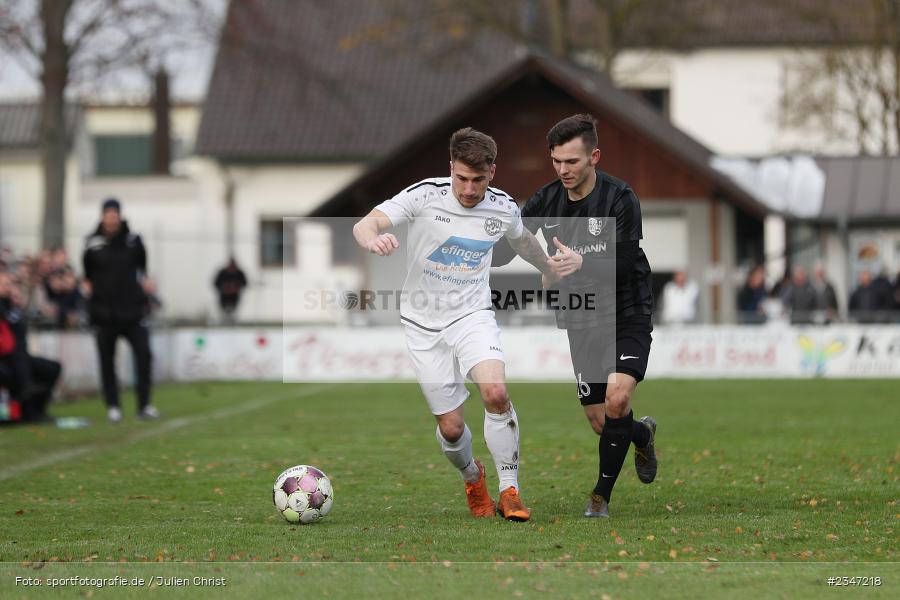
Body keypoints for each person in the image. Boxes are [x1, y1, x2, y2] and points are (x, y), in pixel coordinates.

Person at [353, 128, 553, 521]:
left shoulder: (502, 207)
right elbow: (367, 223)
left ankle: (509, 490)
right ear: (451, 169)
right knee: (451, 427)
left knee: (495, 393)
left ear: (492, 172)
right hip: (423, 324)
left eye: (478, 179)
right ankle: (472, 476)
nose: (469, 189)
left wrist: (547, 267)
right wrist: (371, 239)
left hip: (472, 315)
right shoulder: (424, 194)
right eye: (462, 178)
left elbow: (523, 240)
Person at [494, 114, 657, 518]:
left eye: (572, 162)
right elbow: (504, 250)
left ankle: (599, 498)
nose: (563, 170)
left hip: (627, 310)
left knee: (618, 397)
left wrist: (581, 262)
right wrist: (477, 229)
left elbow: (625, 262)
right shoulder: (545, 200)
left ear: (594, 156)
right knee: (603, 420)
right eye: (556, 162)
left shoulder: (620, 198)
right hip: (580, 316)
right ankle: (642, 433)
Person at [82, 198, 158, 423]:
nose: (111, 218)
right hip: (104, 313)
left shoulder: (134, 241)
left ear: (120, 216)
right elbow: (87, 276)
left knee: (144, 355)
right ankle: (113, 406)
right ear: (102, 216)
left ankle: (144, 405)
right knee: (107, 362)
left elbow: (144, 270)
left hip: (133, 311)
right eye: (108, 214)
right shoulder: (92, 243)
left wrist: (147, 285)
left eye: (115, 214)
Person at [0, 271, 61, 424]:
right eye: (5, 285)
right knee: (13, 375)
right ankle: (17, 414)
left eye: (10, 284)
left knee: (52, 368)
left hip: (20, 357)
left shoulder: (11, 306)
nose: (9, 288)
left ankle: (37, 410)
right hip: (7, 358)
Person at [213, 258, 248, 323]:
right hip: (224, 295)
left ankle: (232, 318)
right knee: (224, 307)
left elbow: (244, 283)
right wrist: (224, 288)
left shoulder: (239, 273)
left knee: (233, 308)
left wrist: (235, 287)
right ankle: (223, 318)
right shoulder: (222, 273)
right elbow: (216, 283)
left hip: (235, 295)